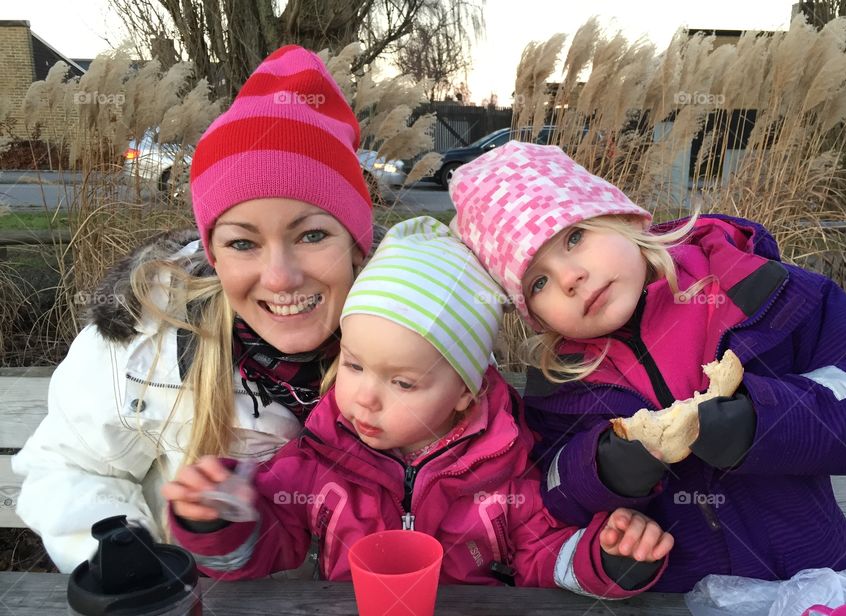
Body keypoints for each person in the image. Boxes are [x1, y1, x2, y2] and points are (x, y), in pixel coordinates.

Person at [448, 141, 846, 592]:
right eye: (538, 282)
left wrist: (765, 420)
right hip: (670, 615)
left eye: (574, 237)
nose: (570, 278)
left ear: (619, 216)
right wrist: (601, 471)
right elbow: (551, 492)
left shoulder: (755, 290)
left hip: (807, 585)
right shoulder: (560, 385)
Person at [163, 218, 673, 596]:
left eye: (403, 383)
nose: (364, 396)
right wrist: (219, 516)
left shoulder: (506, 478)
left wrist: (608, 559)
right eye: (355, 366)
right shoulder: (318, 465)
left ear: (464, 396)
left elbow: (545, 556)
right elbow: (257, 550)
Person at [13, 45, 374, 572]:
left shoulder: (417, 335)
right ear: (211, 252)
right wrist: (130, 565)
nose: (280, 277)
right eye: (242, 243)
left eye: (312, 234)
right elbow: (71, 468)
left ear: (358, 242)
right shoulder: (148, 338)